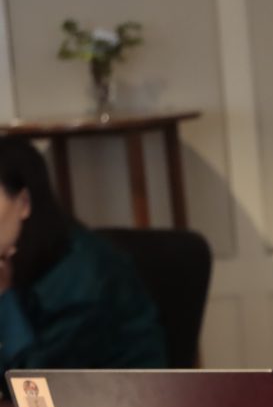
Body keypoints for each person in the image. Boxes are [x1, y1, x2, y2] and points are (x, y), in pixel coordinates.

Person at [0, 138, 166, 381]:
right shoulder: (15, 258)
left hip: (126, 398)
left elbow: (32, 384)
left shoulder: (81, 276)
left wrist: (5, 296)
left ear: (24, 203)